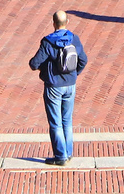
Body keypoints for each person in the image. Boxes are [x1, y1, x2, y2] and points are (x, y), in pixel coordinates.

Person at [28, 11, 87, 167]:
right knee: (67, 120)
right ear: (67, 21)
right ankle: (68, 153)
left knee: (55, 122)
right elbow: (83, 60)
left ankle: (60, 156)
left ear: (53, 22)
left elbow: (34, 63)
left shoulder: (48, 42)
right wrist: (74, 74)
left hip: (54, 86)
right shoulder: (74, 39)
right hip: (70, 85)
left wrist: (42, 69)